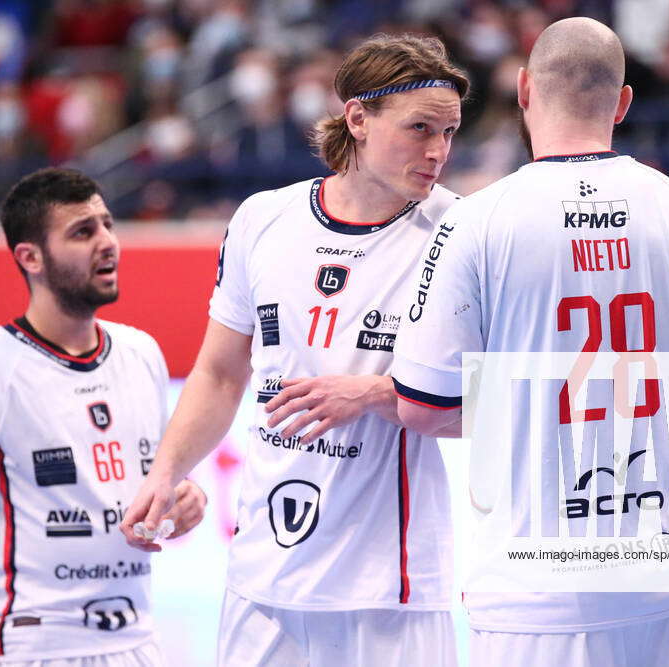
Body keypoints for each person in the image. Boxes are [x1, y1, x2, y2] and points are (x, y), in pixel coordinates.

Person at [391, 17, 669, 667]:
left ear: (522, 89)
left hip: (535, 595)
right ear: (623, 102)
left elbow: (422, 406)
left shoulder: (474, 223)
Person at [121, 34, 468, 666]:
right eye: (421, 128)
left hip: (389, 590)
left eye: (449, 133)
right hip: (263, 578)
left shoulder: (462, 231)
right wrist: (168, 470)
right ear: (358, 118)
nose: (438, 151)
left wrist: (375, 393)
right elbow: (221, 372)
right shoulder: (264, 218)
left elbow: (496, 401)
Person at [0, 168, 208, 667]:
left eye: (107, 224)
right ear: (30, 257)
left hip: (136, 644)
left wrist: (183, 502)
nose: (108, 243)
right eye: (83, 232)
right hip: (29, 649)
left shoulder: (141, 354)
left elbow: (157, 482)